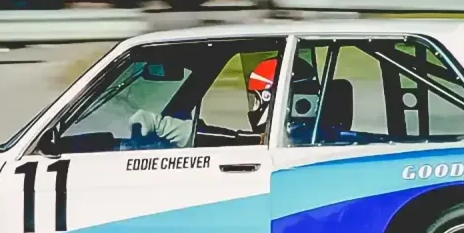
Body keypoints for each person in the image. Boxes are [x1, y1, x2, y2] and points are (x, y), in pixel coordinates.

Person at [127, 56, 324, 148]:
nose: (252, 108)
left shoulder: (297, 142)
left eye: (254, 100)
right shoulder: (320, 137)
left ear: (269, 98)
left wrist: (163, 126)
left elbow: (237, 141)